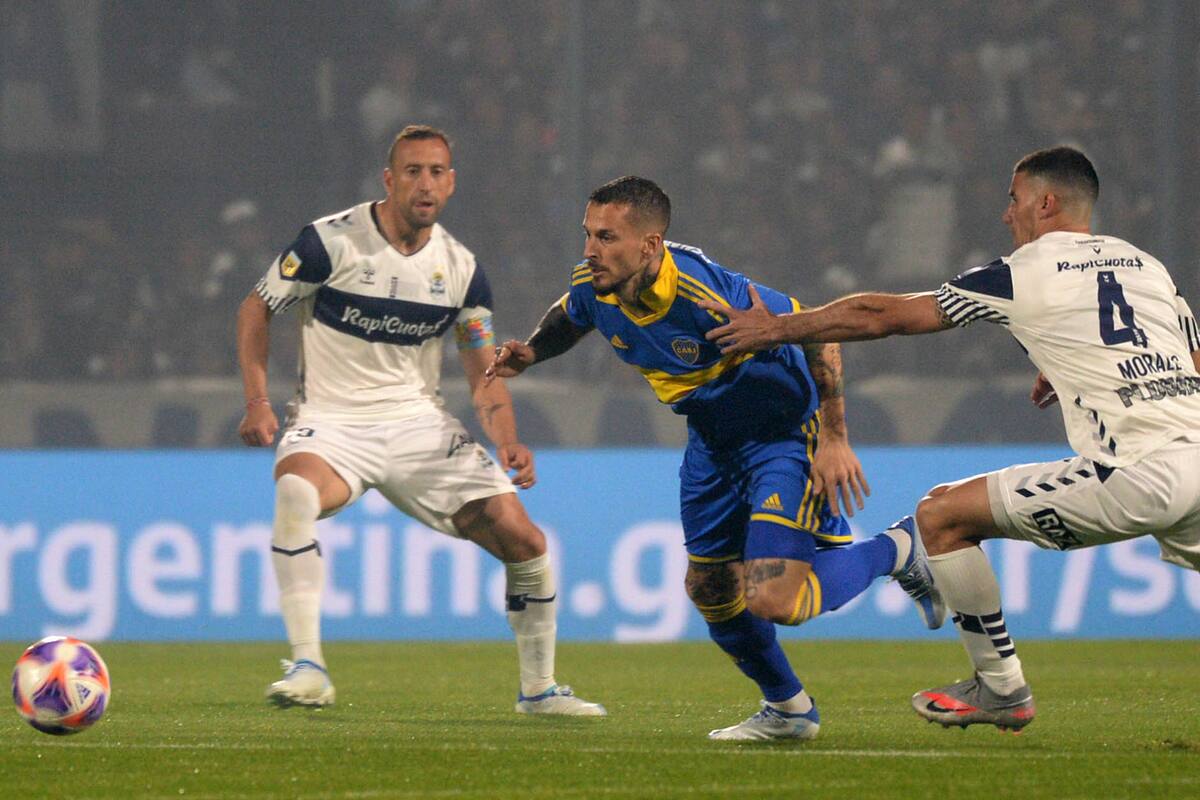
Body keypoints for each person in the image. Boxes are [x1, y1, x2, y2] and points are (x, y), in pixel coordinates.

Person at [702, 146, 1200, 732]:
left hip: (1136, 472)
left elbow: (884, 315)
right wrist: (1072, 364)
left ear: (1045, 203)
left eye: (1013, 200)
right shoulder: (1147, 267)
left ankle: (1001, 690)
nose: (1005, 215)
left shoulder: (1022, 272)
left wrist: (777, 328)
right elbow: (1187, 359)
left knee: (940, 516)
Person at [488, 176, 942, 741]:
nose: (589, 250)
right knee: (709, 589)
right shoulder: (597, 283)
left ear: (650, 245)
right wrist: (531, 351)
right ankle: (790, 711)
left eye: (606, 237)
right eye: (588, 234)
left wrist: (834, 436)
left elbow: (818, 332)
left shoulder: (704, 295)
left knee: (775, 598)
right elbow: (571, 312)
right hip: (711, 440)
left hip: (781, 434)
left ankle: (898, 549)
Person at [236, 125, 604, 716]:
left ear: (451, 183)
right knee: (296, 494)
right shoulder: (329, 244)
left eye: (436, 172)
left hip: (418, 427)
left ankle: (538, 690)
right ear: (389, 180)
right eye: (412, 171)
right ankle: (308, 667)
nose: (424, 183)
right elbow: (257, 307)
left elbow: (483, 370)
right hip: (332, 422)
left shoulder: (461, 271)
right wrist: (257, 400)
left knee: (527, 542)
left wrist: (507, 440)